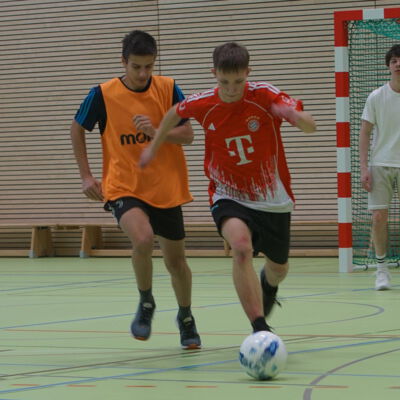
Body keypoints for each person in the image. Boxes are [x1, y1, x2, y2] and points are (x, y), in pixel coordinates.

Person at [140, 42, 316, 333]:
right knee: (241, 248)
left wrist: (296, 118)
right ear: (214, 74)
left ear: (248, 72)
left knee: (279, 268)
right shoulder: (205, 103)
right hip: (228, 195)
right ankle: (259, 327)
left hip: (272, 198)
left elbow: (310, 125)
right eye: (224, 82)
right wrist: (154, 145)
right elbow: (173, 113)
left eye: (238, 81)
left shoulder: (265, 95)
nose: (232, 89)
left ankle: (268, 286)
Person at [70, 30, 201, 349]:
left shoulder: (168, 88)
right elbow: (77, 128)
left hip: (166, 187)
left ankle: (186, 317)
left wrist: (156, 132)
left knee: (176, 262)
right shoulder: (103, 94)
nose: (143, 74)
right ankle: (146, 302)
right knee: (142, 238)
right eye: (137, 67)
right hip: (123, 185)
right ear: (123, 62)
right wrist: (86, 176)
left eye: (149, 67)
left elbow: (188, 136)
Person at [359, 44, 400, 291]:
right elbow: (365, 133)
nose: (398, 64)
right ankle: (382, 269)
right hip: (381, 163)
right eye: (394, 60)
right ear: (388, 66)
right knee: (378, 217)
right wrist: (364, 167)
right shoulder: (376, 97)